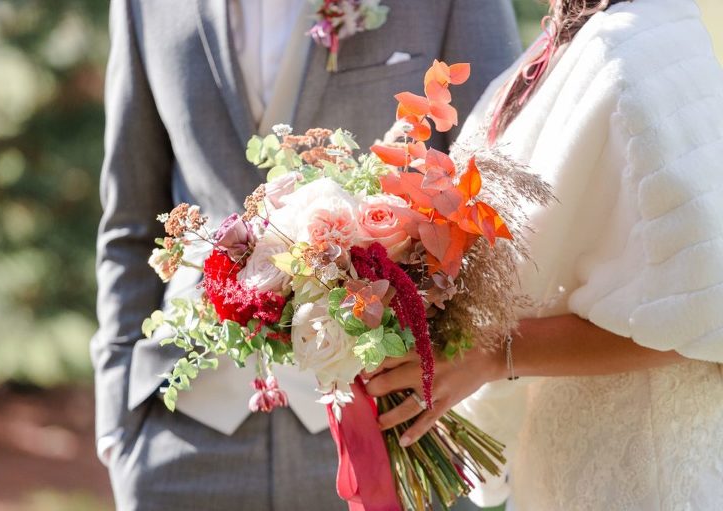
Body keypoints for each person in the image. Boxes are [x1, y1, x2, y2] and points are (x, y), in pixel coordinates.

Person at [91, 0, 521, 509]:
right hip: (181, 435)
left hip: (390, 429)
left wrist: (472, 364)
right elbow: (132, 223)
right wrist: (117, 425)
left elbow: (497, 191)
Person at [367, 0, 723, 509]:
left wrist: (492, 353)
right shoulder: (565, 41)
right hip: (559, 461)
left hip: (642, 471)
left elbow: (706, 307)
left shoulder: (640, 49)